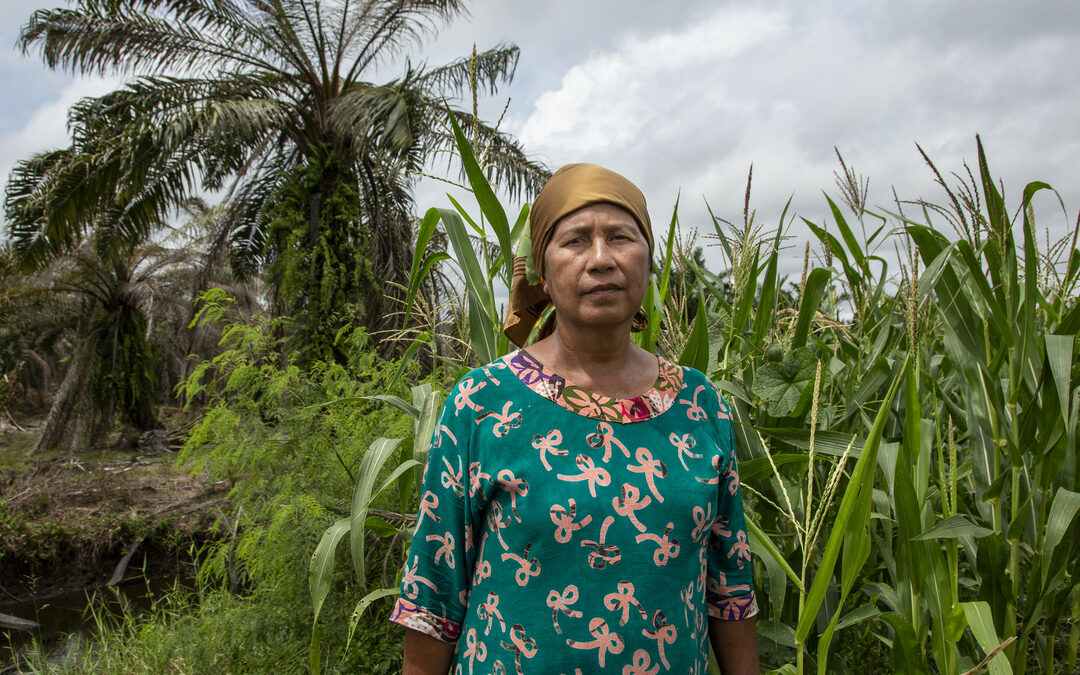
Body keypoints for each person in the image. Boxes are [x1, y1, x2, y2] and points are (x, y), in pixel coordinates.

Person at [390, 163, 758, 674]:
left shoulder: (699, 403)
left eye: (621, 237)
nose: (602, 259)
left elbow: (729, 587)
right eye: (576, 241)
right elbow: (434, 596)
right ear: (541, 271)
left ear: (648, 260)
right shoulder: (482, 403)